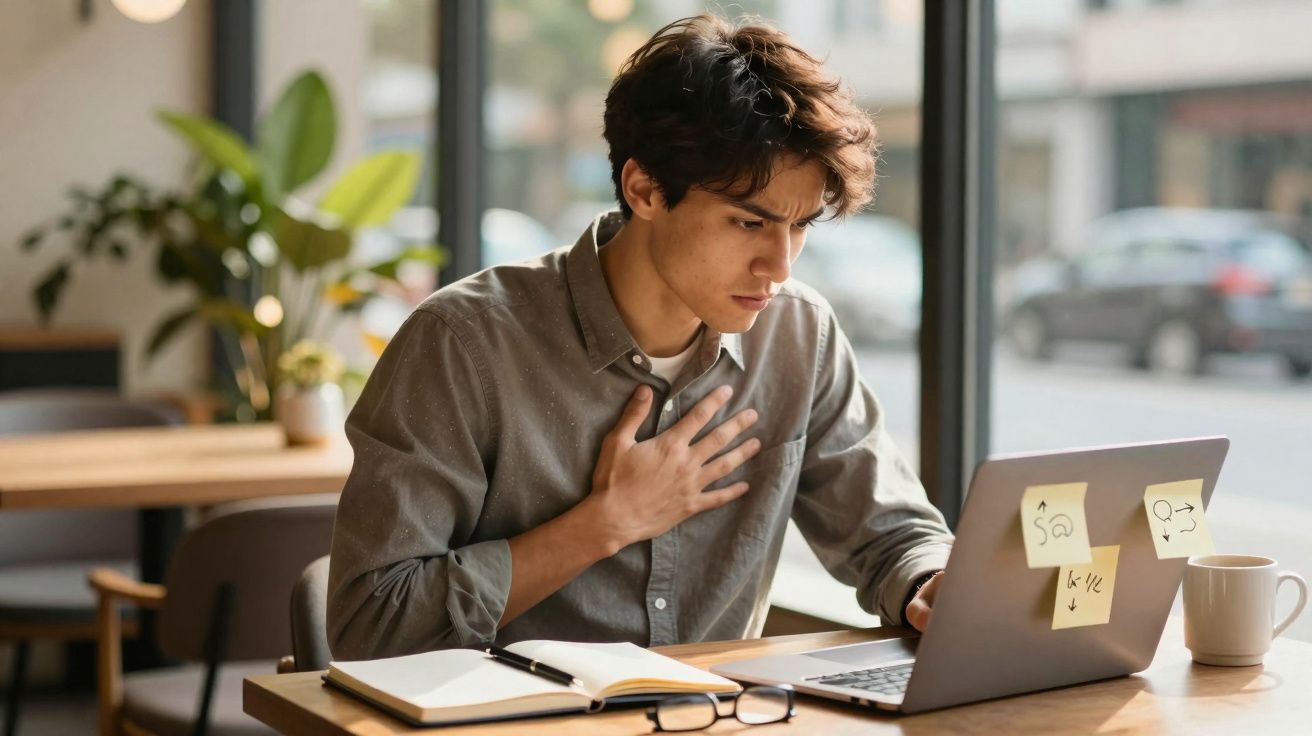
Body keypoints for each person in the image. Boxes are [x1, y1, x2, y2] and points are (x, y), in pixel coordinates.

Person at [327, 13, 954, 661]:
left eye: (800, 228)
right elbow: (372, 625)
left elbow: (892, 536)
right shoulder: (462, 344)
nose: (781, 265)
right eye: (748, 223)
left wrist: (928, 582)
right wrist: (603, 524)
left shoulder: (797, 334)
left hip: (721, 720)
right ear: (645, 188)